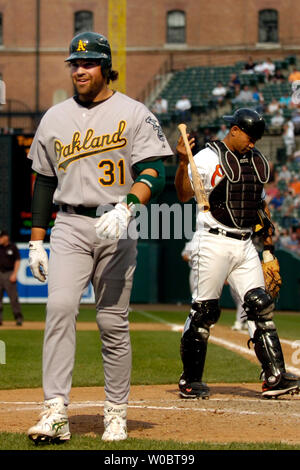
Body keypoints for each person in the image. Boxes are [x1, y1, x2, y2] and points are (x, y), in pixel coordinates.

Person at [26, 31, 173, 444]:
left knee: (112, 322)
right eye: (74, 63)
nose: (79, 70)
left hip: (117, 222)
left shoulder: (134, 112)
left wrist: (128, 207)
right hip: (70, 223)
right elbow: (42, 182)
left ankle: (116, 412)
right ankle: (55, 411)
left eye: (87, 63)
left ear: (106, 67)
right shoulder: (54, 117)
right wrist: (37, 240)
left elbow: (155, 172)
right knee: (59, 307)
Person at [174, 107, 300, 400]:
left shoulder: (256, 161)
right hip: (213, 239)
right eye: (250, 136)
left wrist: (267, 250)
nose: (253, 142)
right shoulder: (207, 158)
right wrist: (182, 163)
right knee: (204, 311)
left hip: (245, 244)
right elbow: (182, 194)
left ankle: (274, 376)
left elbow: (259, 207)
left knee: (261, 306)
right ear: (234, 130)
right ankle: (190, 380)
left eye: (257, 137)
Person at [0, 229, 24, 326]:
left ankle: (18, 317)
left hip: (9, 274)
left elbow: (17, 261)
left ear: (6, 237)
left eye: (1, 237)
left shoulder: (13, 247)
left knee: (13, 298)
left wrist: (14, 274)